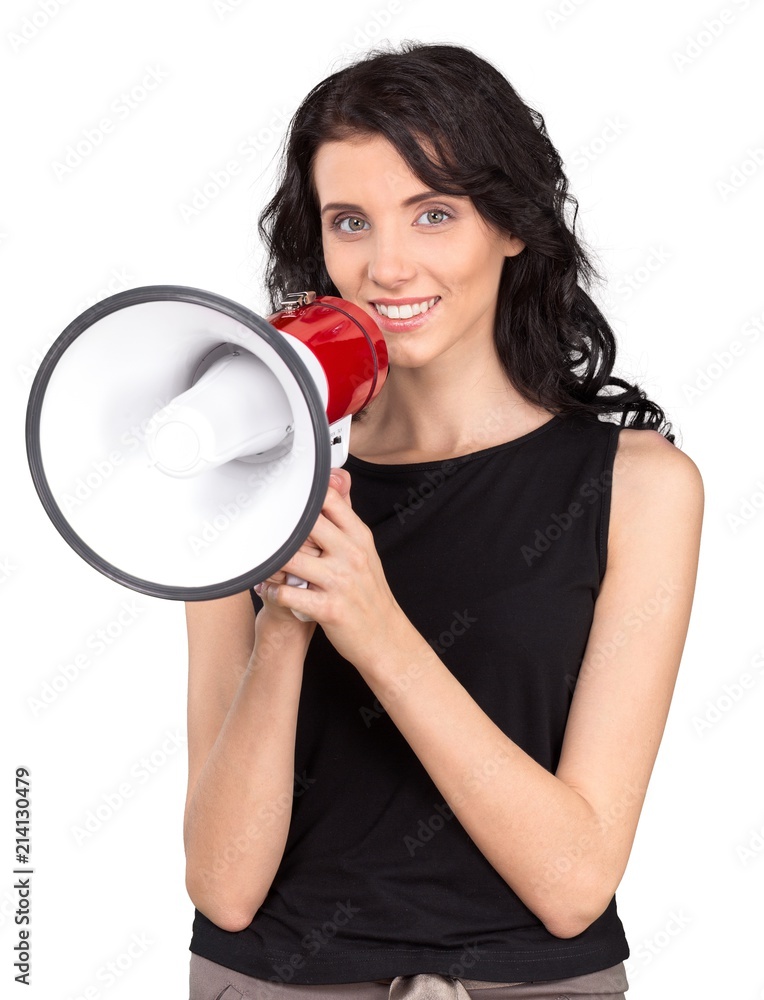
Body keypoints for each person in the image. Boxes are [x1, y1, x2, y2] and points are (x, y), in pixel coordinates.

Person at [184, 42, 704, 1000]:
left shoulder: (637, 486)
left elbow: (575, 885)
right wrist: (288, 630)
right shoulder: (249, 476)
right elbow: (222, 888)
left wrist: (376, 627)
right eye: (350, 222)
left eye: (433, 213)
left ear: (512, 226)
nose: (387, 265)